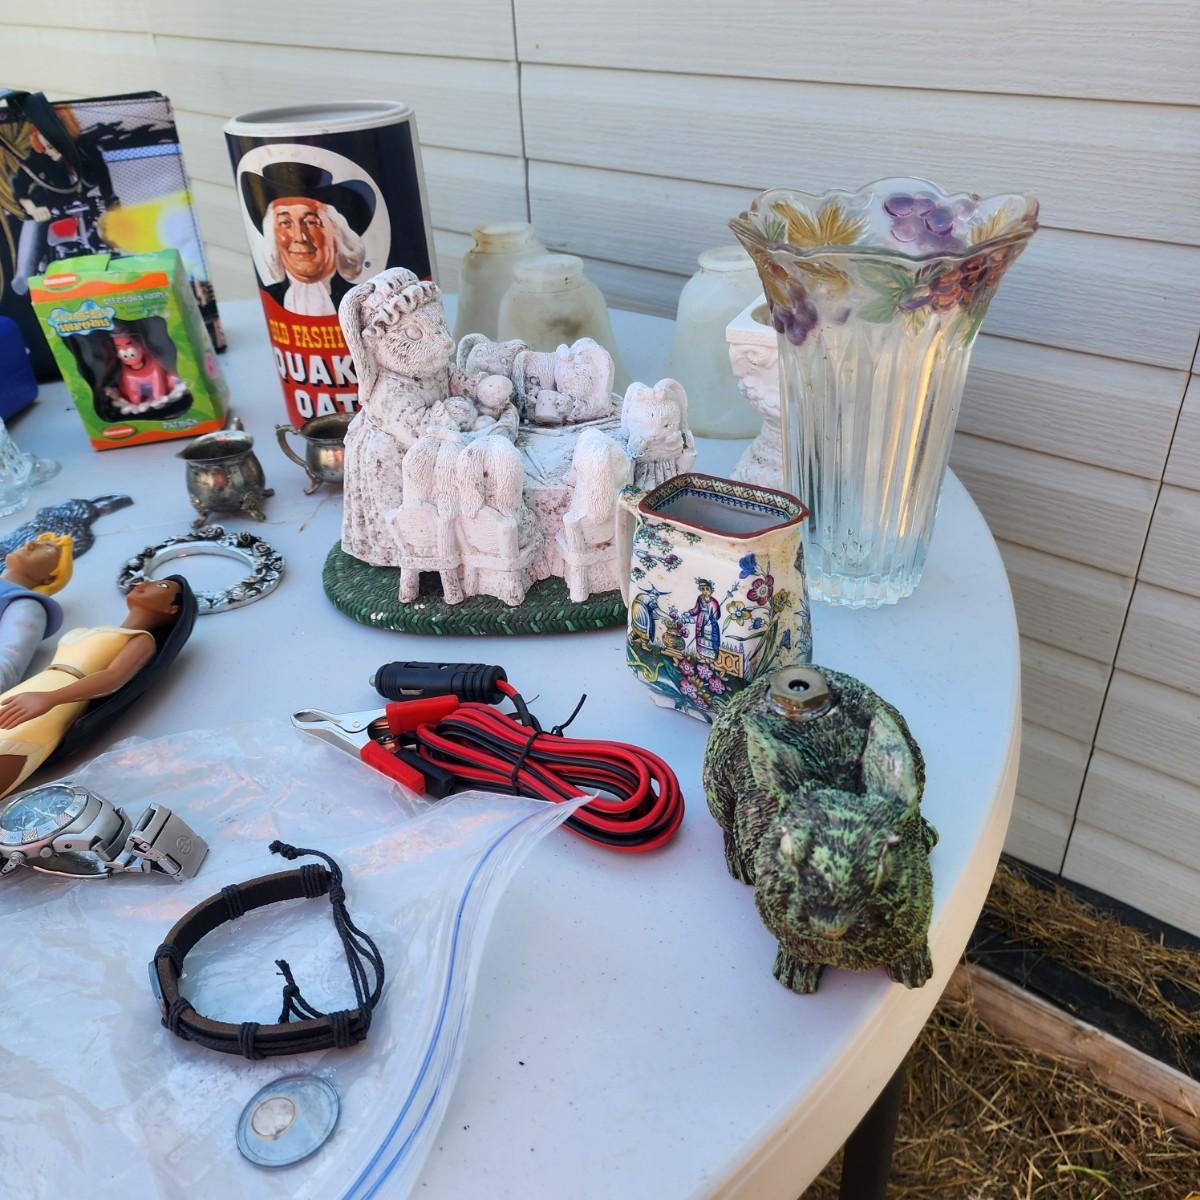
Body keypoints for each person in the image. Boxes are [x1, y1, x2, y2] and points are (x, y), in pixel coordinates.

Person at [0, 575, 195, 797]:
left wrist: (51, 698)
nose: (142, 583)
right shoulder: (96, 631)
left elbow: (113, 677)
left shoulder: (141, 640)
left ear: (172, 609)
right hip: (33, 688)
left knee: (11, 744)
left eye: (162, 586)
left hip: (55, 704)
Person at [240, 161, 375, 315]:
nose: (300, 237)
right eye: (285, 223)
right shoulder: (272, 298)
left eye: (311, 222)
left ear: (336, 231)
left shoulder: (367, 299)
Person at [0, 534, 73, 691]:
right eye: (36, 541)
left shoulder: (26, 606)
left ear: (50, 578)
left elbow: (7, 666)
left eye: (47, 547)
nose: (30, 543)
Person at [687, 578, 721, 660]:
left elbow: (717, 616)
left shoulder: (714, 602)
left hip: (710, 624)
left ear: (711, 590)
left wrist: (712, 616)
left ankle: (711, 658)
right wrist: (689, 613)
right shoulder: (700, 598)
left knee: (710, 639)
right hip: (700, 620)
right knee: (700, 638)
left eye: (707, 589)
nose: (705, 591)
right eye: (703, 589)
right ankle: (701, 656)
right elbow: (696, 609)